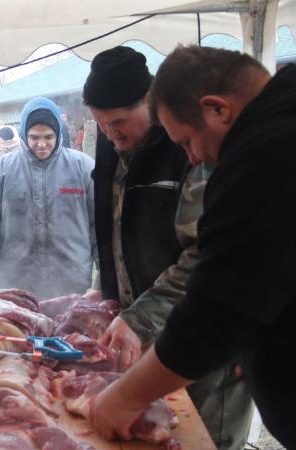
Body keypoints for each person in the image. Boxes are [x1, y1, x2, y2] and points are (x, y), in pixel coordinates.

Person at [82, 45, 252, 450]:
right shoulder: (112, 144)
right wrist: (103, 287)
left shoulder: (190, 145)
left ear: (150, 102)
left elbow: (207, 257)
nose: (110, 133)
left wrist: (140, 318)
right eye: (101, 124)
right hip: (140, 337)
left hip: (202, 338)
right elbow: (112, 227)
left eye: (119, 121)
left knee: (200, 440)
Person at [0, 97, 96, 298]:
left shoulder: (83, 168)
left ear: (58, 134)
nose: (41, 144)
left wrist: (102, 284)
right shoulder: (1, 171)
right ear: (23, 135)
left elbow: (101, 229)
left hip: (72, 287)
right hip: (15, 286)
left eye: (48, 136)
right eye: (34, 137)